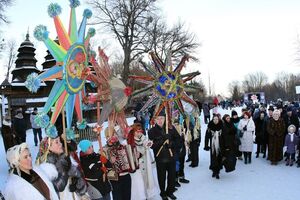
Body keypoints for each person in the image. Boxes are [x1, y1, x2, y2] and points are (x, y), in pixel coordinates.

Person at [148, 112, 177, 200]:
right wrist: (163, 139)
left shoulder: (171, 128)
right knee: (161, 177)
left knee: (172, 176)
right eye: (158, 118)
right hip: (160, 158)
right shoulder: (151, 131)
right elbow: (152, 146)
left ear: (165, 119)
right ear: (155, 120)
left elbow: (179, 140)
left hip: (171, 157)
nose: (160, 120)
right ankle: (163, 192)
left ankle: (170, 191)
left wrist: (171, 144)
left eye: (162, 118)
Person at [130, 123, 159, 199]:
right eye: (137, 131)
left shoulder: (144, 138)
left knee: (147, 181)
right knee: (140, 184)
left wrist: (149, 144)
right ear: (133, 132)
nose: (139, 133)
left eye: (140, 131)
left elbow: (147, 144)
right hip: (138, 166)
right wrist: (143, 148)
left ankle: (148, 195)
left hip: (146, 163)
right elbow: (135, 152)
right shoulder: (131, 141)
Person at [103, 127, 132, 200]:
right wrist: (109, 162)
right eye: (111, 135)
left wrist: (136, 154)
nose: (114, 136)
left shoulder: (123, 146)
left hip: (126, 176)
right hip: (114, 179)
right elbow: (102, 167)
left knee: (127, 197)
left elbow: (131, 157)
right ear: (107, 137)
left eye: (115, 134)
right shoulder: (103, 150)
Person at [204, 114, 224, 179]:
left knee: (218, 157)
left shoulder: (222, 126)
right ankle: (214, 171)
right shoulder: (210, 127)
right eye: (214, 119)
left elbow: (225, 136)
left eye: (216, 119)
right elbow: (206, 137)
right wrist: (206, 145)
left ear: (218, 119)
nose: (215, 120)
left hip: (220, 145)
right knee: (213, 158)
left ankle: (217, 172)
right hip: (212, 145)